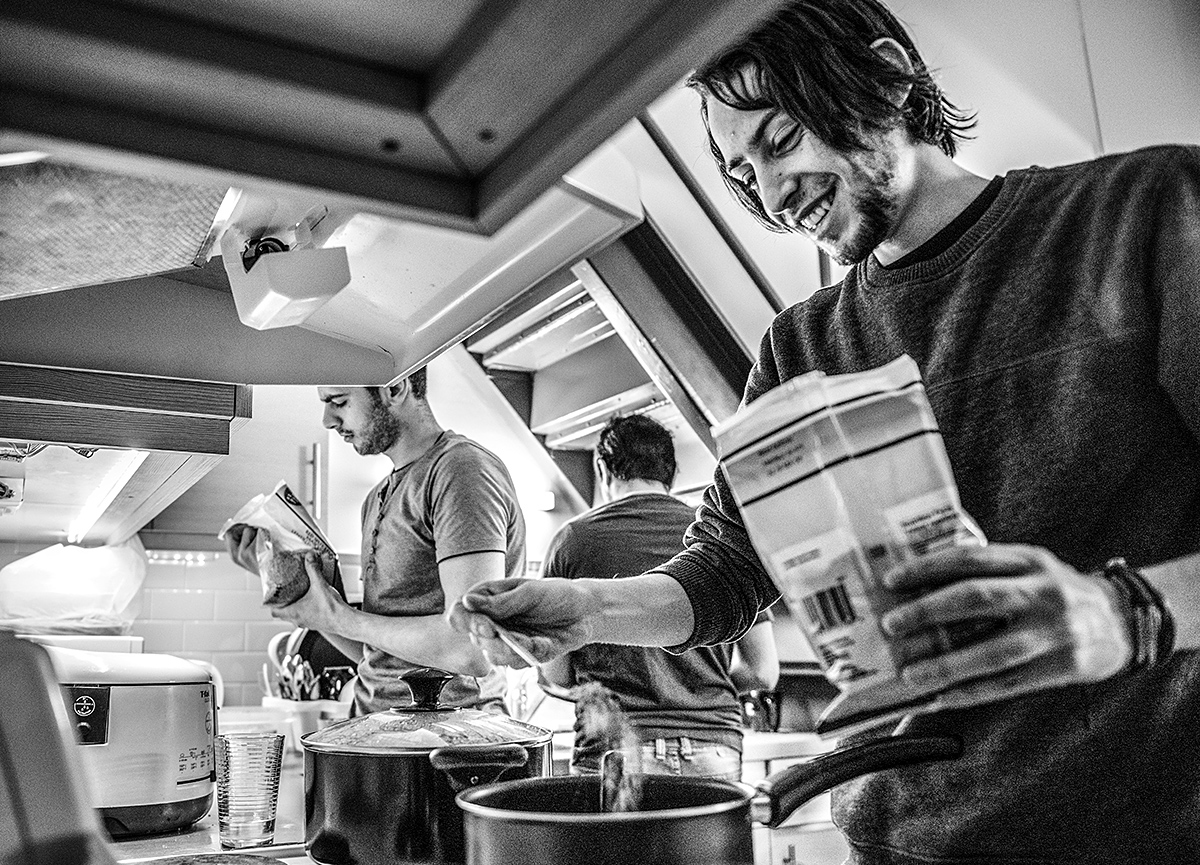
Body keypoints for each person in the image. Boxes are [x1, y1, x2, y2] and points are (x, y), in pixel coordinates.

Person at [449, 0, 1200, 861]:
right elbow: (730, 574)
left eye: (778, 141)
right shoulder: (801, 344)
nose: (769, 196)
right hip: (895, 840)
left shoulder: (1141, 216)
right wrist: (586, 610)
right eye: (741, 170)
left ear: (885, 76)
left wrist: (1121, 614)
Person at [227, 367, 526, 716]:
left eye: (338, 401)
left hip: (455, 742)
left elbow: (470, 648)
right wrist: (304, 596)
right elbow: (378, 654)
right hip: (381, 730)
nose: (327, 419)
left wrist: (338, 617)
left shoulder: (461, 471)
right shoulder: (376, 498)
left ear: (395, 387)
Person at [539, 414, 779, 780]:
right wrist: (699, 686)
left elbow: (556, 672)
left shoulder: (573, 541)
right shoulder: (718, 538)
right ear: (672, 473)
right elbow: (763, 672)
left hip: (613, 749)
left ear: (603, 470)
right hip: (713, 746)